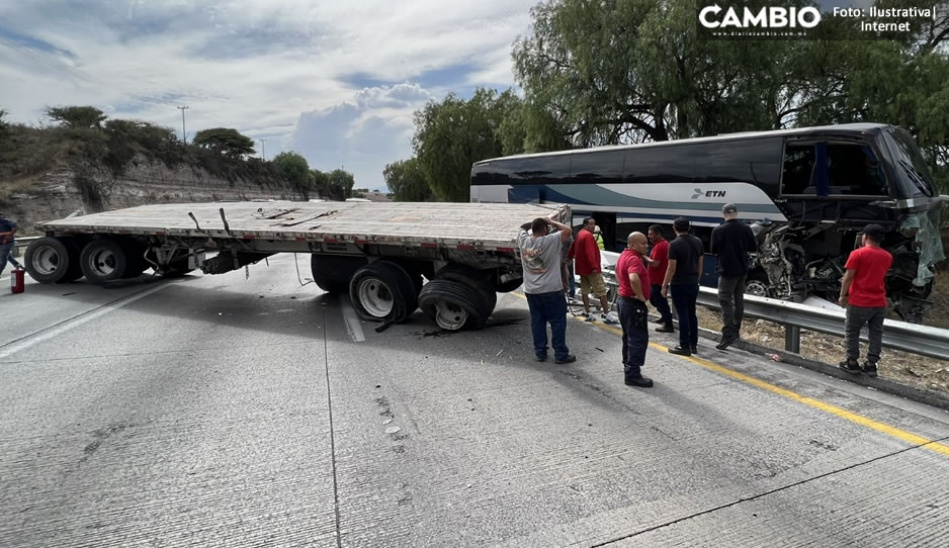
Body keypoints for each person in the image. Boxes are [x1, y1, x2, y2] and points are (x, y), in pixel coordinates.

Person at [518, 216, 577, 364]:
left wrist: (532, 222)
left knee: (537, 322)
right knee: (558, 322)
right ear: (545, 229)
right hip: (551, 289)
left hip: (531, 290)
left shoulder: (523, 241)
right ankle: (560, 354)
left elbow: (521, 228)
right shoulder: (550, 240)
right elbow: (568, 230)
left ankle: (540, 352)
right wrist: (551, 221)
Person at [838, 223, 893, 377]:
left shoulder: (857, 254)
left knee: (852, 332)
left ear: (865, 237)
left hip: (859, 301)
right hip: (879, 302)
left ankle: (852, 362)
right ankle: (871, 365)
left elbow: (848, 277)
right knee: (876, 333)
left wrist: (843, 296)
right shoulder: (887, 256)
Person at [710, 203, 758, 350]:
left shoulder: (718, 230)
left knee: (725, 301)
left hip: (727, 271)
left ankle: (728, 334)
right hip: (742, 269)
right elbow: (753, 248)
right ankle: (736, 330)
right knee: (738, 300)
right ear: (737, 213)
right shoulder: (746, 229)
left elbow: (713, 250)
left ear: (724, 214)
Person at [616, 231, 654, 388]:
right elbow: (633, 277)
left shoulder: (625, 255)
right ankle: (633, 374)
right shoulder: (633, 259)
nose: (647, 246)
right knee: (638, 339)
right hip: (633, 303)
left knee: (628, 337)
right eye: (643, 243)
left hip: (623, 301)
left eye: (647, 242)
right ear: (632, 245)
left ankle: (628, 366)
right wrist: (640, 296)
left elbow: (620, 274)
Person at [661, 217, 704, 356]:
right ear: (689, 228)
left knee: (683, 314)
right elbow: (700, 264)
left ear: (674, 228)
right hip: (693, 282)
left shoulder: (674, 244)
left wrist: (664, 285)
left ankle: (684, 346)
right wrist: (696, 280)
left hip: (679, 283)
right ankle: (693, 345)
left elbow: (671, 268)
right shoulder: (698, 242)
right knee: (692, 312)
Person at [568, 217, 618, 323]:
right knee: (601, 291)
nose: (593, 226)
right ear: (585, 225)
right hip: (591, 270)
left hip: (582, 269)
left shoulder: (579, 234)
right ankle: (606, 313)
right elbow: (590, 253)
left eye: (594, 224)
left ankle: (589, 312)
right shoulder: (588, 236)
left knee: (585, 291)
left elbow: (572, 247)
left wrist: (568, 257)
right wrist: (594, 267)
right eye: (590, 224)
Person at [645, 224, 674, 333]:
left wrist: (644, 257)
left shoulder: (660, 246)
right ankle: (664, 316)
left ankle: (668, 324)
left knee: (660, 301)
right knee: (655, 300)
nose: (649, 236)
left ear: (658, 234)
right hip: (656, 279)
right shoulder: (662, 245)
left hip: (658, 280)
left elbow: (656, 263)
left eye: (651, 234)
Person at [0, 211, 20, 278]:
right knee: (7, 256)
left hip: (7, 243)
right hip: (1, 243)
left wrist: (10, 235)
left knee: (3, 257)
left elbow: (15, 227)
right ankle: (17, 264)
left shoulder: (5, 221)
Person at [561, 232, 576, 300]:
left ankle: (564, 294)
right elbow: (573, 246)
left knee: (563, 278)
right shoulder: (569, 237)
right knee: (571, 277)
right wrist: (571, 256)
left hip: (561, 261)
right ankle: (571, 293)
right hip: (569, 260)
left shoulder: (558, 238)